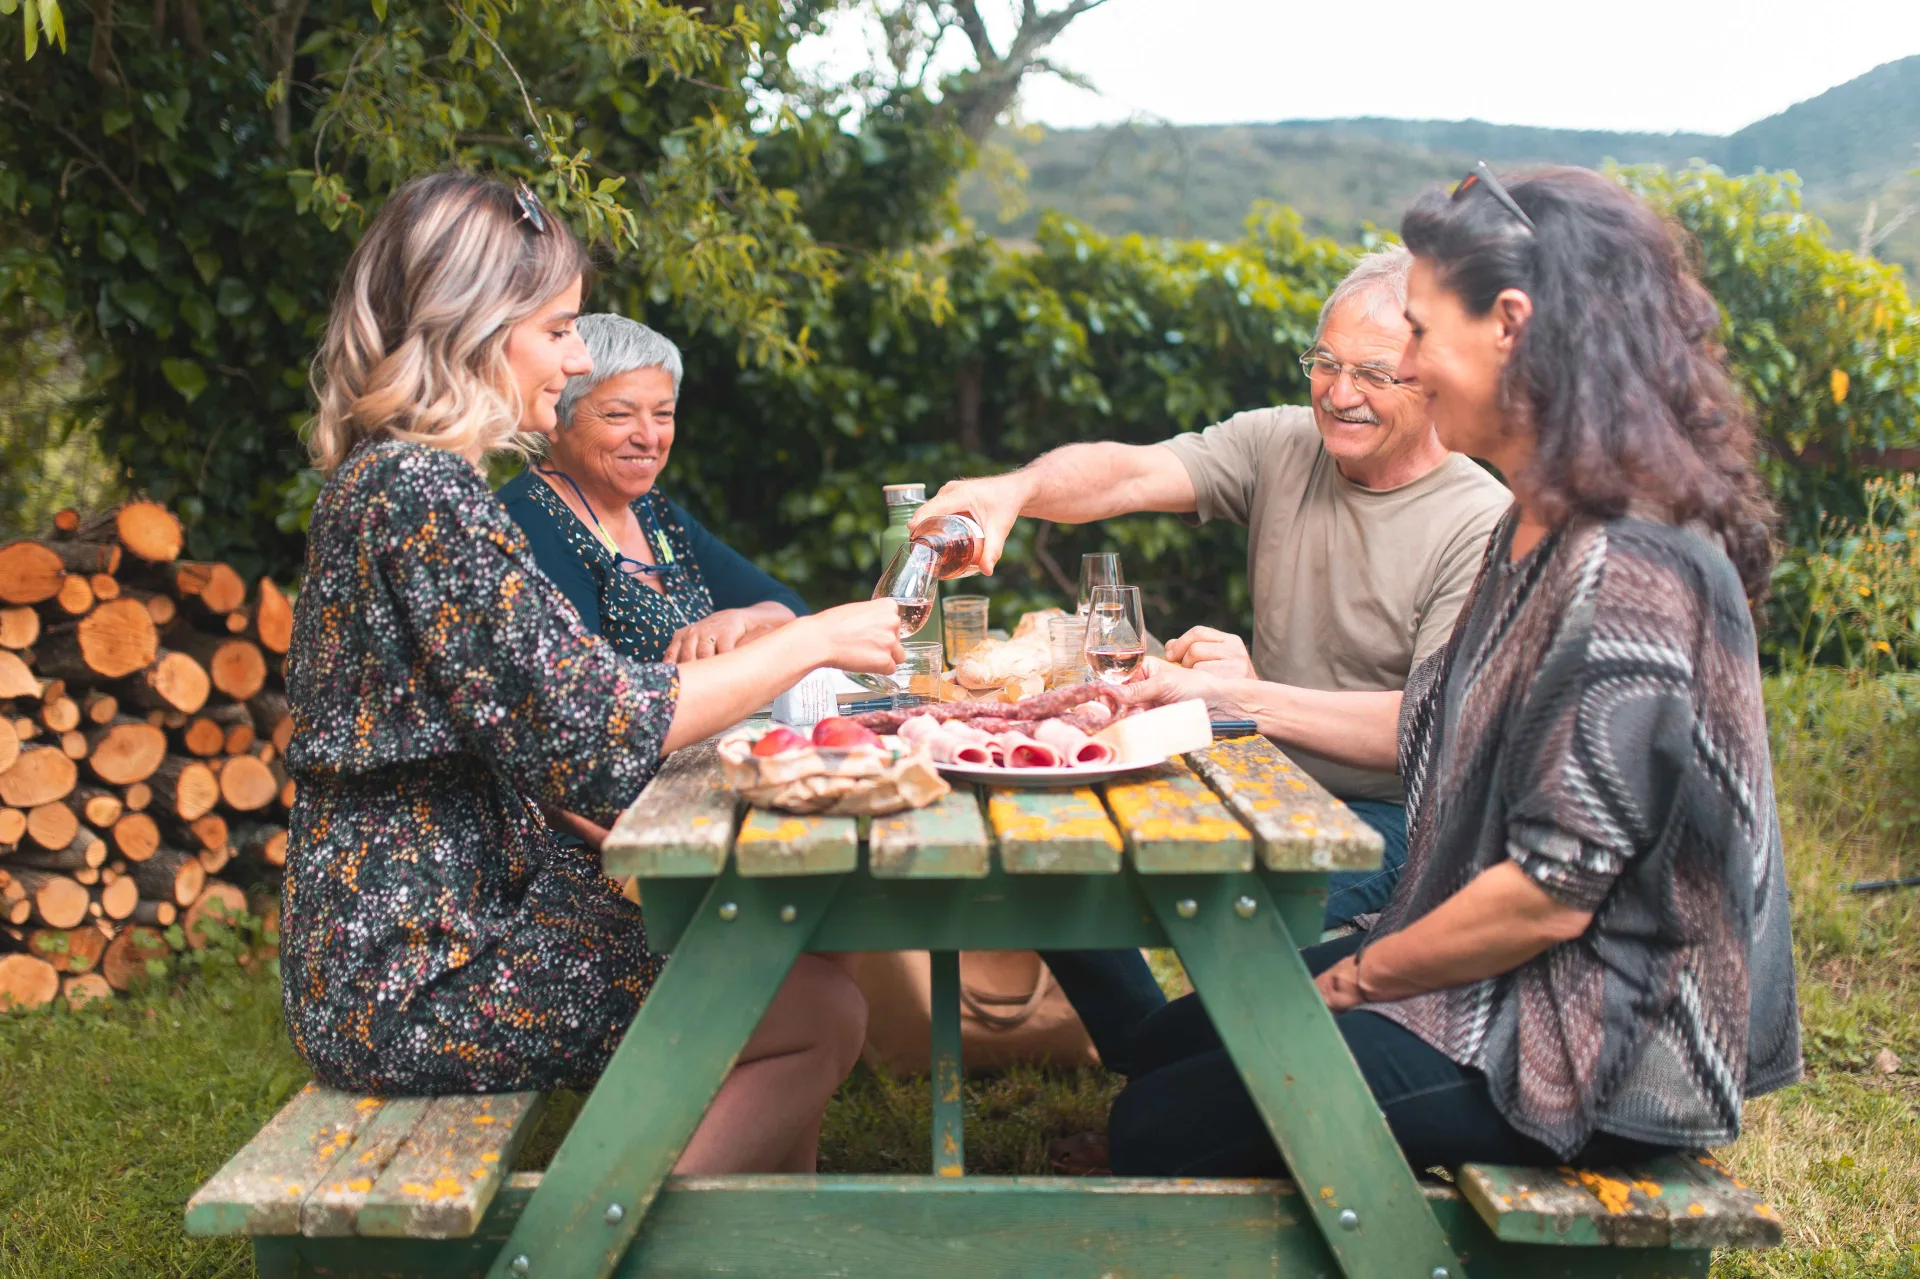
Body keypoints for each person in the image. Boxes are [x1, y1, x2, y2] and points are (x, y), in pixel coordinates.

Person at [1107, 165, 1802, 1177]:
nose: (1409, 371)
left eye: (1422, 336)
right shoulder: (1541, 512)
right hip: (1506, 973)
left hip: (1594, 1037)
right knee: (1170, 1045)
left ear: (1511, 324)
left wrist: (1357, 981)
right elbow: (1439, 726)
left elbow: (1546, 898)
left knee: (1158, 1124)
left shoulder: (1634, 558)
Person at [279, 172, 905, 1176]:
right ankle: (608, 1244)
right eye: (560, 329)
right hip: (417, 972)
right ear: (477, 326)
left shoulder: (410, 478)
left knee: (802, 962)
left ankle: (745, 1240)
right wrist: (813, 637)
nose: (574, 360)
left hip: (449, 922)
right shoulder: (421, 492)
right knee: (817, 1011)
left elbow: (558, 719)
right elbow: (598, 733)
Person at [911, 246, 1509, 1069]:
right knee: (1049, 858)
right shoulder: (1283, 442)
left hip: (1396, 823)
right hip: (1256, 772)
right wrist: (1014, 492)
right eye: (1324, 362)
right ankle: (1155, 1059)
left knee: (1196, 895)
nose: (1339, 394)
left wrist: (1240, 696)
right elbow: (1127, 473)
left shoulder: (1481, 523)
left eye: (1373, 374)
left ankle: (1196, 1078)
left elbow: (1427, 731)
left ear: (1432, 375)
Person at [499, 314, 807, 664]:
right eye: (618, 415)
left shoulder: (652, 510)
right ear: (555, 417)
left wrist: (738, 619)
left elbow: (787, 605)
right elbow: (583, 691)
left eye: (663, 415)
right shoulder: (528, 522)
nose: (649, 438)